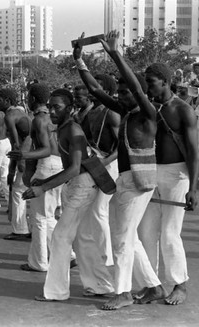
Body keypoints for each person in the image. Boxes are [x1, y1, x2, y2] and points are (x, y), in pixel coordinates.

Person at [93, 30, 166, 310]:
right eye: (120, 92)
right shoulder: (127, 113)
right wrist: (80, 63)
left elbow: (136, 89)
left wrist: (115, 54)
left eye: (125, 92)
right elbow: (96, 92)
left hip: (137, 182)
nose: (121, 96)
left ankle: (123, 292)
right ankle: (154, 286)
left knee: (122, 239)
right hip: (125, 181)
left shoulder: (148, 112)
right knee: (128, 237)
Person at [26, 88, 104, 302]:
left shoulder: (73, 130)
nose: (51, 111)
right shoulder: (63, 128)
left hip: (83, 185)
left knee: (60, 237)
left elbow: (75, 168)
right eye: (50, 106)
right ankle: (100, 285)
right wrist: (44, 182)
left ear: (70, 108)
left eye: (56, 107)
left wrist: (44, 187)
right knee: (82, 239)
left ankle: (56, 292)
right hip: (77, 185)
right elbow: (69, 168)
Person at [139, 60, 199, 305]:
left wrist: (193, 189)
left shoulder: (182, 109)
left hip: (177, 175)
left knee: (169, 233)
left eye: (151, 83)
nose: (148, 87)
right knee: (145, 232)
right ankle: (152, 285)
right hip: (152, 172)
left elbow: (194, 151)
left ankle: (179, 284)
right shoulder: (151, 107)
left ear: (165, 81)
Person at [73, 42, 121, 268]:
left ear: (108, 91)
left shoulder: (111, 113)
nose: (93, 89)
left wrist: (105, 161)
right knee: (93, 212)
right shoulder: (93, 112)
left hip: (107, 165)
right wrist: (79, 60)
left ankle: (106, 258)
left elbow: (122, 145)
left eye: (99, 87)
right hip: (96, 163)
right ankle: (95, 253)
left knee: (100, 212)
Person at [8, 83, 63, 272]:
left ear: (32, 99)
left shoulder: (39, 120)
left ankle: (39, 262)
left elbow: (45, 149)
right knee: (47, 217)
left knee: (39, 218)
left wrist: (23, 156)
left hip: (47, 166)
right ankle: (66, 254)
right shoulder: (54, 118)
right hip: (58, 165)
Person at [2, 89, 32, 240]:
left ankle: (20, 230)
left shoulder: (9, 116)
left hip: (25, 150)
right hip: (30, 149)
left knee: (18, 191)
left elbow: (16, 144)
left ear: (7, 101)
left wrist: (13, 168)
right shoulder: (20, 112)